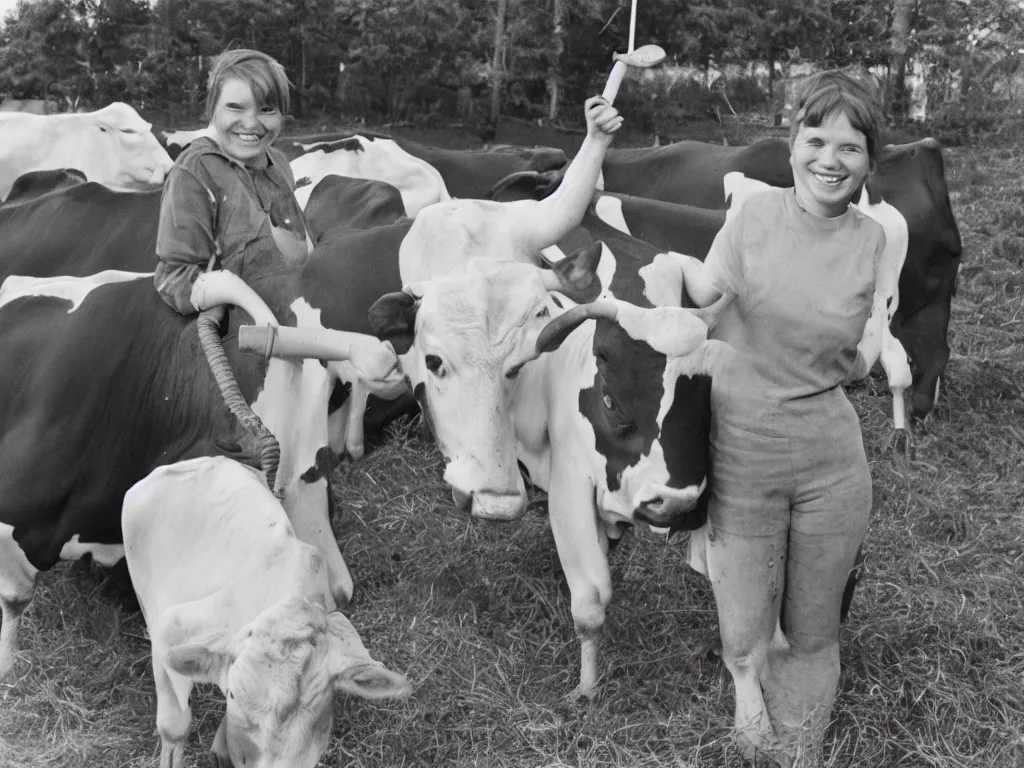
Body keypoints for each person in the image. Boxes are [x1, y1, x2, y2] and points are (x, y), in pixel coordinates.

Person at [678, 71, 887, 768]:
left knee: (813, 628)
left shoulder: (875, 237)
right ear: (792, 142)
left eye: (850, 148)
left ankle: (802, 750)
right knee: (743, 624)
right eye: (816, 139)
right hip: (742, 453)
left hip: (832, 460)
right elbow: (700, 298)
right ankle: (746, 692)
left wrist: (862, 356)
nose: (831, 160)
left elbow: (869, 344)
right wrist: (639, 295)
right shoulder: (754, 217)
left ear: (868, 161)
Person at [155, 48, 313, 315]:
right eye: (235, 107)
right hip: (233, 332)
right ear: (212, 109)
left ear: (281, 113)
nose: (251, 124)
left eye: (266, 109)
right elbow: (174, 278)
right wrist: (246, 300)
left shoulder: (279, 163)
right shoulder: (194, 170)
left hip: (292, 309)